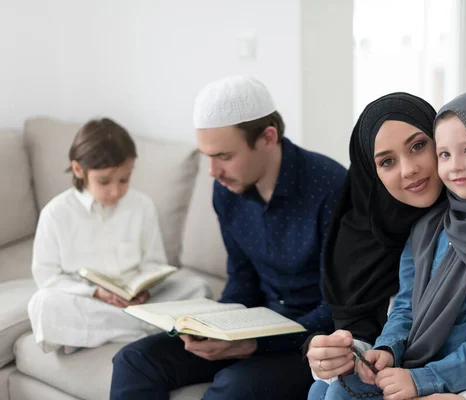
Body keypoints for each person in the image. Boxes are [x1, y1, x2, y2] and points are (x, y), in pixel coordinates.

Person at [306, 92, 466, 400]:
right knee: (325, 389)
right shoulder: (426, 227)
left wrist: (428, 380)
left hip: (460, 379)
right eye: (445, 154)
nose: (410, 169)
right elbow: (404, 308)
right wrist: (387, 349)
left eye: (419, 146)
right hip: (411, 365)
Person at [109, 76, 347, 400]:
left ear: (268, 137)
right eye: (207, 156)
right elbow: (242, 278)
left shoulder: (331, 188)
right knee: (133, 360)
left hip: (312, 341)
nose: (212, 171)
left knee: (235, 387)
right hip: (256, 325)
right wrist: (213, 327)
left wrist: (255, 344)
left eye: (223, 156)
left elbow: (339, 309)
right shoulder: (227, 191)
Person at [28, 118, 210, 354]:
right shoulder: (55, 214)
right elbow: (47, 278)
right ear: (78, 170)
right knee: (43, 304)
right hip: (91, 302)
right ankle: (154, 328)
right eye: (104, 181)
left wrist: (147, 291)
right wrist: (96, 293)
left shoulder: (141, 205)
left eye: (124, 179)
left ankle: (101, 333)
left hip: (141, 302)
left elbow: (154, 263)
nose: (116, 191)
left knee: (198, 287)